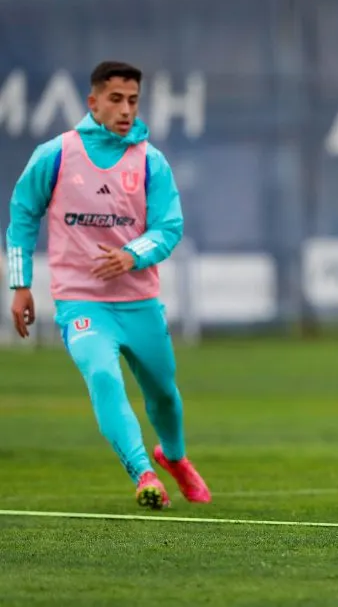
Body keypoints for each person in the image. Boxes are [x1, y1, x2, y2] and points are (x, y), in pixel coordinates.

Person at [5, 60, 210, 509]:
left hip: (139, 302)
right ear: (92, 102)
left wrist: (132, 254)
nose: (125, 109)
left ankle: (173, 457)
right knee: (102, 374)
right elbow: (22, 215)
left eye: (133, 100)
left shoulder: (151, 161)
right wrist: (19, 284)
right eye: (115, 99)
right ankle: (143, 474)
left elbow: (169, 226)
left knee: (164, 396)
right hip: (81, 302)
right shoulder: (56, 154)